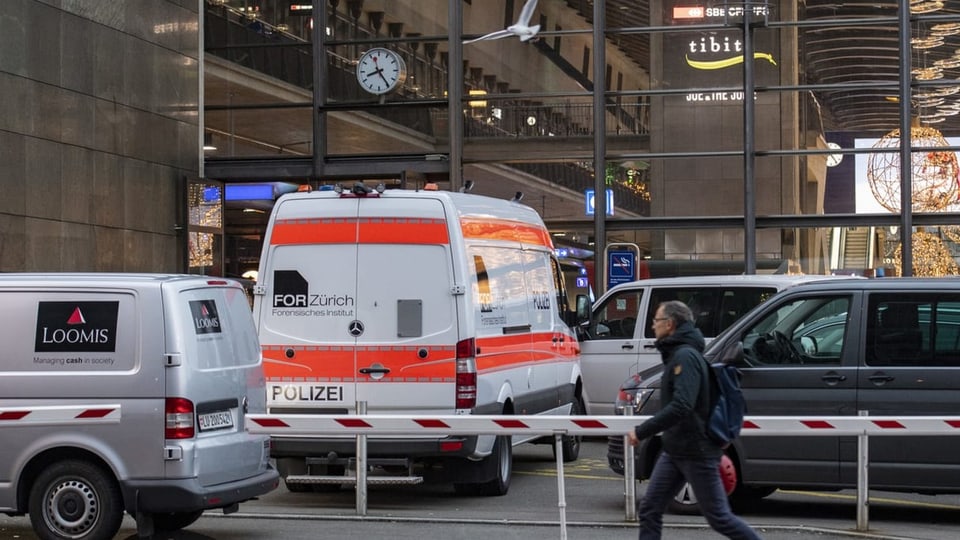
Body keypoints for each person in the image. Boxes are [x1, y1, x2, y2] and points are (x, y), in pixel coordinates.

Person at [627, 300, 761, 540]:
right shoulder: (680, 354)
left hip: (696, 451)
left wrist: (643, 430)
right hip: (676, 449)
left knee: (719, 518)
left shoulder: (685, 358)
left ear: (669, 325)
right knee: (650, 509)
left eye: (656, 321)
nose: (652, 325)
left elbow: (682, 405)